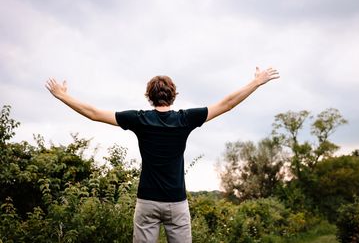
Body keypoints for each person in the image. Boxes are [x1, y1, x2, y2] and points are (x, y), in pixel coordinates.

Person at [45, 67, 279, 243]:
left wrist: (63, 96)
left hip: (147, 201)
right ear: (173, 95)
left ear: (149, 96)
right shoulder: (185, 118)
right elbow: (227, 104)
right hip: (176, 202)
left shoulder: (139, 119)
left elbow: (94, 113)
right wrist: (256, 82)